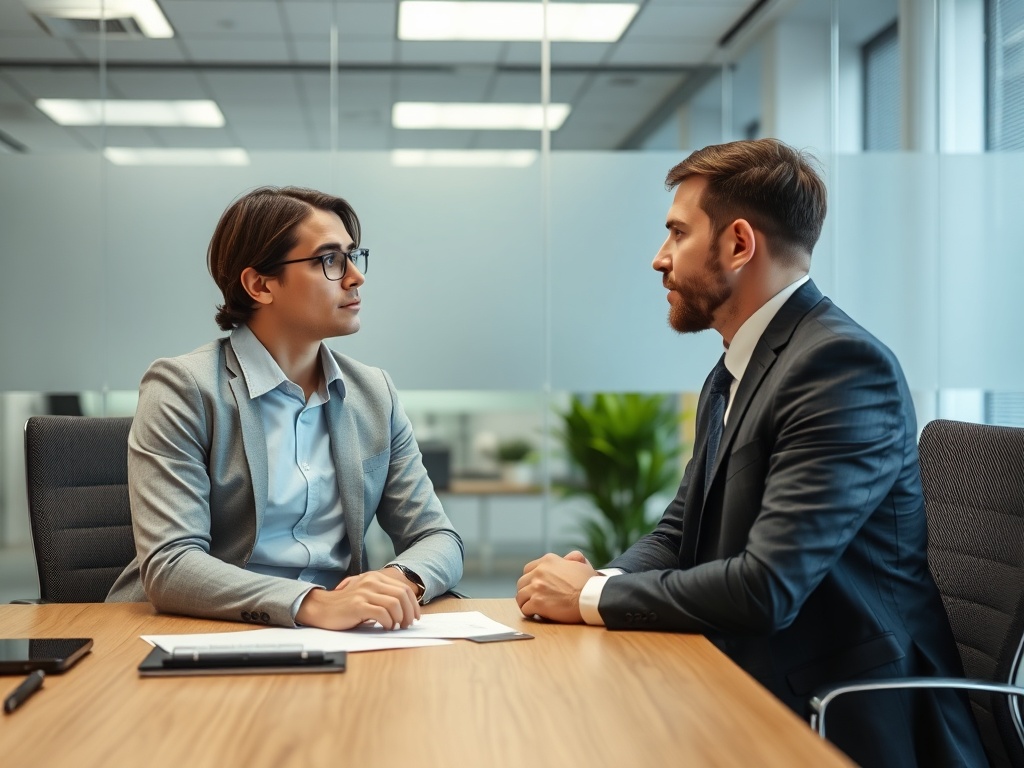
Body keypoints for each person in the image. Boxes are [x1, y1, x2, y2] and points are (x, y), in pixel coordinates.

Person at [515, 139, 986, 766]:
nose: (659, 259)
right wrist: (601, 582)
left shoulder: (840, 367)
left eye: (677, 234)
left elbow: (768, 588)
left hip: (840, 714)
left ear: (739, 244)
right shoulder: (736, 367)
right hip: (747, 676)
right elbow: (682, 528)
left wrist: (588, 598)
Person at [108, 186, 463, 631]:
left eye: (353, 256)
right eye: (329, 260)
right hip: (204, 629)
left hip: (345, 634)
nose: (356, 277)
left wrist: (399, 579)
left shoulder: (373, 392)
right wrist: (311, 603)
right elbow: (171, 564)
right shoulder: (183, 388)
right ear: (260, 285)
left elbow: (436, 536)